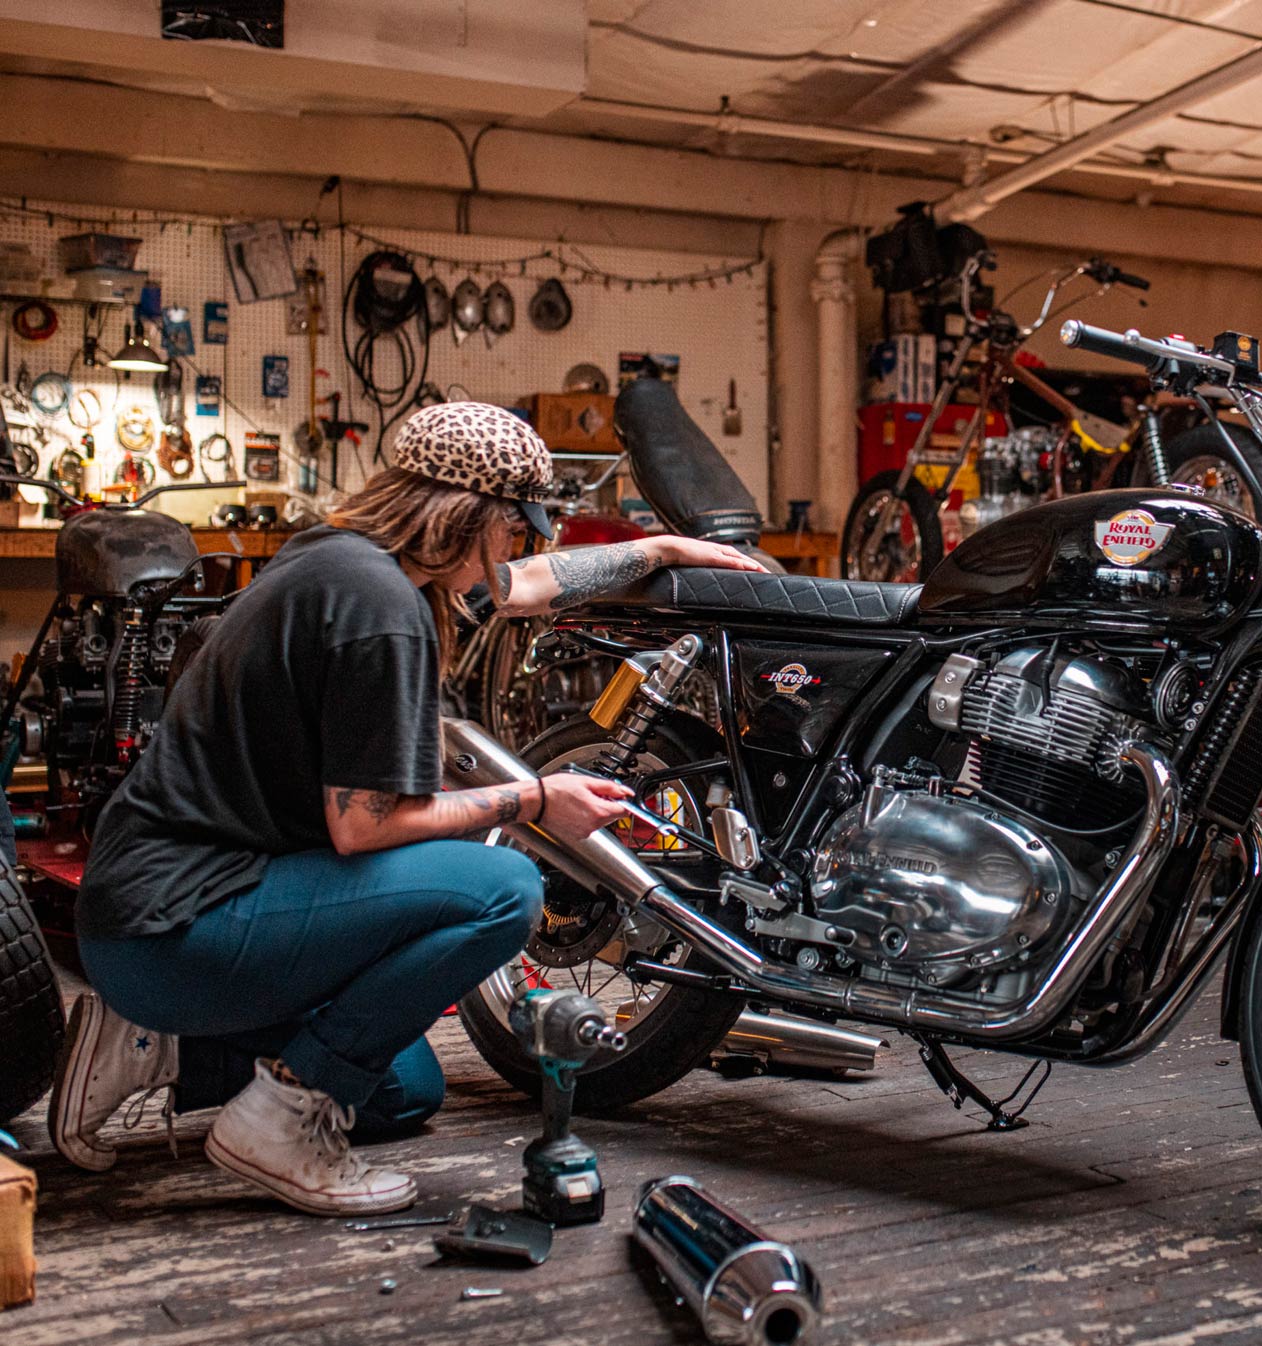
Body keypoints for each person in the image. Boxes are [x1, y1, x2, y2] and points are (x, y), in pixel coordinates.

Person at [48, 401, 765, 1215]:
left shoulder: (340, 556)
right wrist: (534, 799)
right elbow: (364, 828)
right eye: (512, 528)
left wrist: (660, 550)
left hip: (157, 911)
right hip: (176, 927)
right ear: (466, 517)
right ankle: (273, 1125)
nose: (518, 548)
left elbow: (526, 585)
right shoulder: (381, 612)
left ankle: (156, 1046)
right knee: (503, 888)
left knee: (401, 1092)